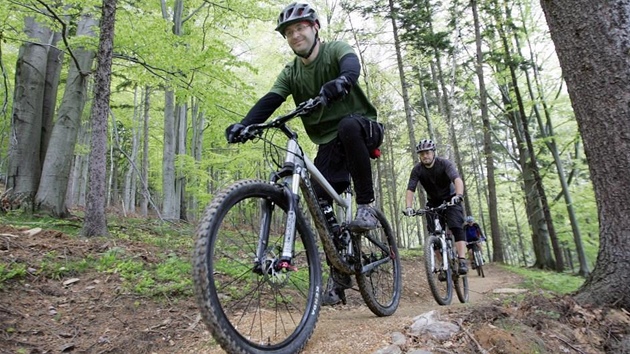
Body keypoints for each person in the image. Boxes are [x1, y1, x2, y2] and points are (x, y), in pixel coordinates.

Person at [224, 2, 384, 305]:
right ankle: (340, 277)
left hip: (363, 127)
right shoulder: (291, 72)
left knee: (348, 126)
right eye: (289, 32)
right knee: (321, 206)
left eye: (300, 28)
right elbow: (271, 99)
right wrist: (245, 125)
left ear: (314, 28)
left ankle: (365, 206)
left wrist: (342, 82)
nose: (295, 35)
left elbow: (351, 65)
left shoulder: (335, 49)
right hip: (329, 143)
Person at [403, 139, 468, 274]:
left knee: (456, 227)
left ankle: (462, 260)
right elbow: (410, 189)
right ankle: (442, 266)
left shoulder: (444, 163)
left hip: (451, 199)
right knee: (434, 235)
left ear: (433, 153)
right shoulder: (417, 170)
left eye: (427, 153)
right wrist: (409, 207)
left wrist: (459, 195)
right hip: (433, 203)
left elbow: (456, 179)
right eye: (422, 154)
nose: (425, 156)